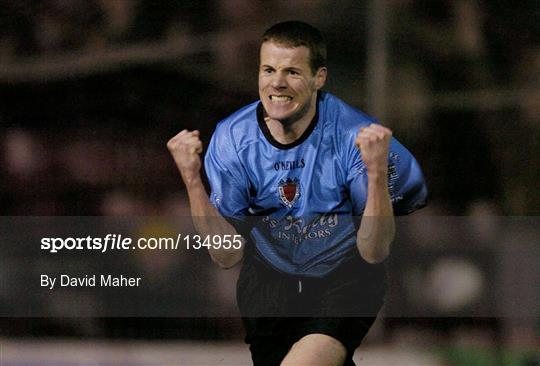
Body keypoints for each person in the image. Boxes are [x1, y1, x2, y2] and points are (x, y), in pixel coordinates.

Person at [167, 21, 427, 366]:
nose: (277, 83)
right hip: (269, 288)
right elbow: (227, 256)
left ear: (319, 78)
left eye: (292, 71)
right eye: (269, 69)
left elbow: (374, 250)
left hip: (344, 278)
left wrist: (376, 173)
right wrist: (192, 180)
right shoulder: (232, 138)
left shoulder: (357, 137)